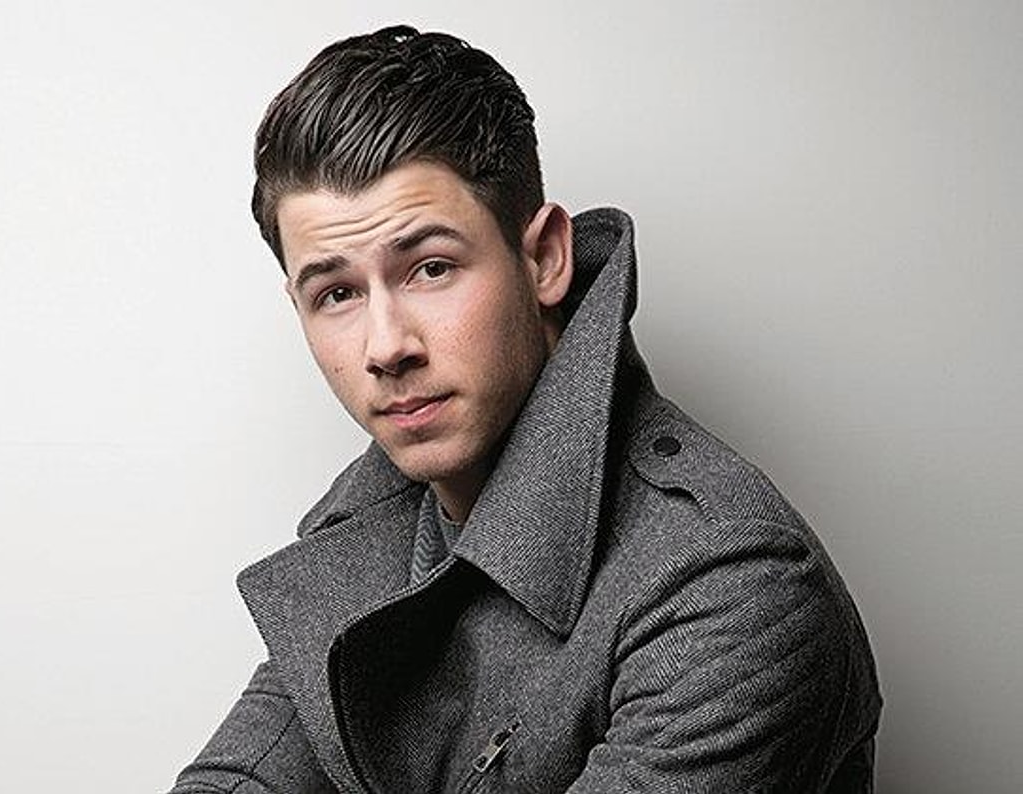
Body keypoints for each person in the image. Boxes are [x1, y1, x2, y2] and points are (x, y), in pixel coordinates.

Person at [169, 25, 881, 793]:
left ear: (544, 258)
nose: (385, 345)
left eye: (430, 268)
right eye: (336, 293)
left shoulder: (734, 589)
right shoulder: (373, 516)